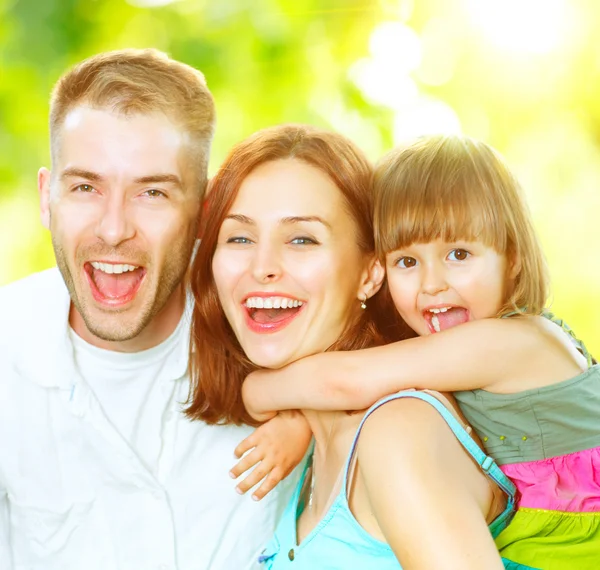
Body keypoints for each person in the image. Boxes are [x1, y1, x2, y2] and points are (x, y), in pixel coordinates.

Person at [0, 49, 307, 570]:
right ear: (47, 197)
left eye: (152, 193)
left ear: (203, 212)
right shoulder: (9, 344)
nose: (114, 229)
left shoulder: (269, 323)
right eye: (85, 187)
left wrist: (303, 412)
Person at [242, 134, 600, 569]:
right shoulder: (448, 359)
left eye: (459, 253)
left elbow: (347, 382)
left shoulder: (513, 342)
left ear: (513, 258)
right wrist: (299, 423)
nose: (432, 283)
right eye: (407, 262)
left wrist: (259, 389)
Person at [187, 124, 517, 569]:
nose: (262, 266)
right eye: (240, 238)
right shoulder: (312, 454)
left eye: (302, 239)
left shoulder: (398, 433)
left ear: (370, 272)